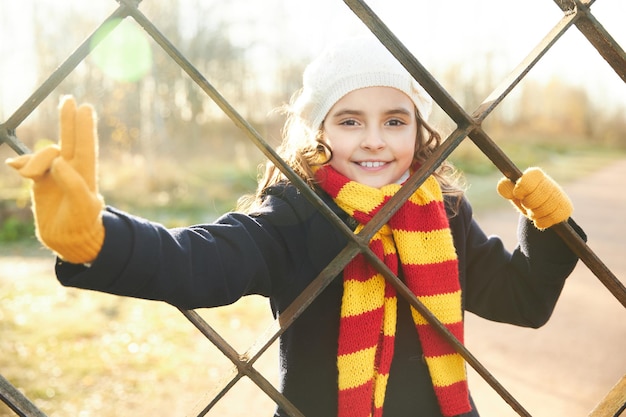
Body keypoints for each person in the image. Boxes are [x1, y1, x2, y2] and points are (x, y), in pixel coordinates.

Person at [6, 36, 584, 417]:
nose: (376, 139)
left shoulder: (446, 214)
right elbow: (199, 260)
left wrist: (551, 230)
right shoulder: (294, 216)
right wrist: (99, 239)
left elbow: (522, 300)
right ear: (319, 131)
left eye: (395, 120)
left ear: (419, 132)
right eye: (351, 120)